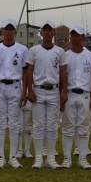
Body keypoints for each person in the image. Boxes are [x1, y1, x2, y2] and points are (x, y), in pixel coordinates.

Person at [25, 20, 67, 169]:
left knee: (52, 125)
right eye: (45, 30)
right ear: (41, 32)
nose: (48, 33)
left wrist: (64, 91)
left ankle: (50, 158)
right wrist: (30, 90)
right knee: (38, 125)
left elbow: (63, 72)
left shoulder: (60, 51)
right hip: (38, 90)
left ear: (54, 33)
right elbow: (29, 70)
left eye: (50, 30)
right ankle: (38, 158)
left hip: (54, 91)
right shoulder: (34, 50)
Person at [0, 18, 29, 169]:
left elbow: (25, 72)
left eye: (11, 29)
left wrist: (24, 92)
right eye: (6, 29)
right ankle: (0, 157)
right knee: (0, 123)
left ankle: (12, 157)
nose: (9, 32)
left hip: (15, 86)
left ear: (15, 32)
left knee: (14, 123)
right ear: (2, 31)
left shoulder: (22, 49)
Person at [60, 25, 91, 170]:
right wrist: (62, 93)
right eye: (73, 35)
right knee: (67, 127)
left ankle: (82, 159)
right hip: (69, 94)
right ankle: (67, 159)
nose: (75, 38)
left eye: (78, 36)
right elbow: (61, 76)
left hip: (85, 95)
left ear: (83, 38)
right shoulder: (65, 56)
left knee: (84, 128)